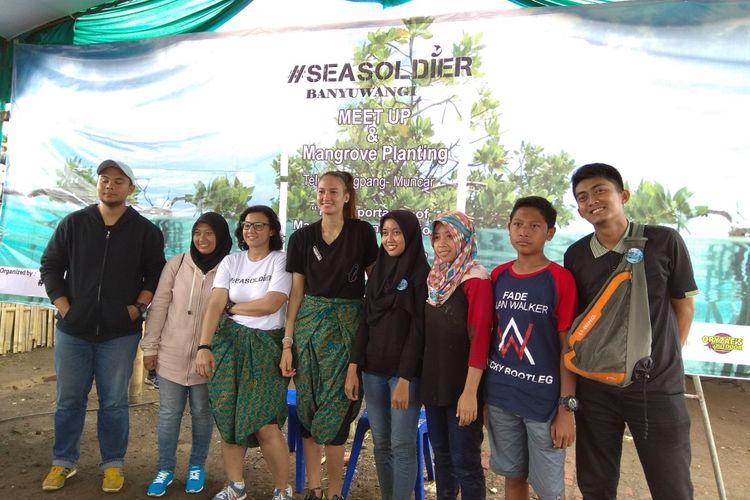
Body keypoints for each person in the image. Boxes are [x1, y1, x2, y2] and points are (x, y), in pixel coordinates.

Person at [564, 163, 697, 499]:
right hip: (596, 389)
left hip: (656, 388)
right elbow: (580, 323)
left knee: (671, 484)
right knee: (596, 483)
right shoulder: (576, 255)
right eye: (582, 196)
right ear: (579, 209)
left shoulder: (664, 241)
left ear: (623, 195)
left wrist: (665, 359)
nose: (591, 200)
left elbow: (683, 306)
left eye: (599, 190)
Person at [39, 159, 165, 492]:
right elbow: (50, 265)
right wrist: (66, 308)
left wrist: (137, 308)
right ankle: (62, 463)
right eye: (104, 180)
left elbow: (155, 274)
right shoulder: (74, 224)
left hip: (119, 335)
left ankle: (113, 465)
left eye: (118, 181)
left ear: (130, 188)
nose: (109, 185)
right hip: (72, 332)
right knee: (68, 401)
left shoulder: (145, 231)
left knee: (113, 401)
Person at [283, 171, 378, 500]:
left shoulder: (363, 233)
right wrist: (288, 341)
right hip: (309, 330)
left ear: (347, 196)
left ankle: (335, 493)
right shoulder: (302, 238)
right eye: (322, 191)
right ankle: (313, 488)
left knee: (337, 408)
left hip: (346, 329)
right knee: (308, 407)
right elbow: (296, 293)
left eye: (334, 192)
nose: (326, 197)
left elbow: (375, 284)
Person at [194, 206, 293, 500]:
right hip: (229, 344)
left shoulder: (280, 260)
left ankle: (282, 489)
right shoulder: (231, 261)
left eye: (259, 226)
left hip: (265, 345)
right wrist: (204, 346)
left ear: (272, 230)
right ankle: (236, 486)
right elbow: (214, 304)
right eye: (247, 226)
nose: (251, 231)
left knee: (265, 422)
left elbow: (271, 303)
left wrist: (232, 308)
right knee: (228, 415)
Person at [485, 196, 578, 500]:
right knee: (514, 478)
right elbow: (488, 338)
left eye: (534, 226)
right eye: (518, 224)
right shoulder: (497, 276)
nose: (524, 232)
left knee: (550, 491)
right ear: (509, 228)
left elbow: (568, 349)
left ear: (550, 232)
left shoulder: (560, 279)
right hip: (501, 397)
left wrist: (566, 409)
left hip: (544, 405)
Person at [140, 212, 232, 496]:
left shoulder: (230, 266)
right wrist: (150, 347)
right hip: (171, 355)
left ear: (220, 236)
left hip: (209, 360)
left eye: (209, 233)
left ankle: (197, 466)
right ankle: (165, 469)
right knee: (169, 414)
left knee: (203, 415)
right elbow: (159, 307)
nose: (202, 239)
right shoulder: (177, 264)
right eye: (197, 233)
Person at [345, 210, 430, 500]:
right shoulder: (378, 271)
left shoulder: (421, 274)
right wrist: (354, 366)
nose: (390, 238)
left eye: (397, 232)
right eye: (385, 232)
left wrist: (405, 377)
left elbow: (419, 331)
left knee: (402, 445)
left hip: (403, 375)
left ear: (410, 235)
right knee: (381, 443)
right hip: (372, 372)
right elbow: (365, 322)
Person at [422, 211, 492, 500]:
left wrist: (470, 393)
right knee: (442, 457)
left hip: (464, 388)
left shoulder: (476, 279)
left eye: (450, 236)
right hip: (435, 384)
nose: (441, 243)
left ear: (464, 238)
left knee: (466, 462)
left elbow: (480, 340)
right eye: (437, 237)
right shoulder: (435, 279)